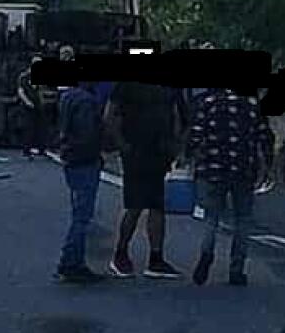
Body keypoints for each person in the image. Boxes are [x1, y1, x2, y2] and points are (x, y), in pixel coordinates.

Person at [185, 87, 273, 286]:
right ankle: (237, 269)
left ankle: (206, 254)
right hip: (243, 169)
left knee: (211, 216)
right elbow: (264, 136)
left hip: (213, 168)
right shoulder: (252, 105)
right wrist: (266, 165)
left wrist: (191, 158)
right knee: (242, 219)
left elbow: (196, 135)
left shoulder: (207, 103)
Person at [105, 79, 187, 279]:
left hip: (156, 151)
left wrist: (176, 146)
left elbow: (181, 116)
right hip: (139, 151)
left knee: (155, 205)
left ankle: (154, 258)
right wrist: (122, 144)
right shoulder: (128, 85)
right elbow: (109, 115)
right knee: (136, 204)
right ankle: (122, 254)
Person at [54, 80, 106, 283]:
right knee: (82, 215)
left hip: (71, 158)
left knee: (79, 211)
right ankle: (71, 261)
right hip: (84, 159)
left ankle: (74, 260)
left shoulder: (68, 96)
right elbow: (87, 134)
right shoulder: (86, 101)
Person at [17, 56, 45, 158]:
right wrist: (27, 102)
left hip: (38, 104)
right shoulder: (23, 76)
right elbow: (20, 91)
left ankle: (41, 148)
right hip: (28, 105)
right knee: (29, 128)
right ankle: (26, 149)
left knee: (40, 127)